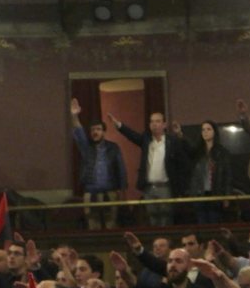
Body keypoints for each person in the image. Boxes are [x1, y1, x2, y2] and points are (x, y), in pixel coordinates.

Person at [110, 109, 189, 226]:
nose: (154, 124)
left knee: (166, 218)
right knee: (152, 218)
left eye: (158, 121)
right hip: (149, 187)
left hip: (165, 187)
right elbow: (132, 135)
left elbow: (184, 162)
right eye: (152, 122)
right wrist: (118, 125)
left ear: (164, 124)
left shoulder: (172, 141)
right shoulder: (146, 140)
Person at [69, 98, 125, 230]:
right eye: (93, 130)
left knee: (111, 223)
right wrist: (74, 116)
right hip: (91, 192)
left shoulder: (113, 148)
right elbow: (78, 132)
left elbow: (121, 169)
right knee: (92, 224)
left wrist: (122, 190)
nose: (95, 132)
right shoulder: (86, 148)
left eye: (98, 129)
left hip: (110, 192)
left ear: (104, 132)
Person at [180, 119, 234, 226]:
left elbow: (227, 176)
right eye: (203, 130)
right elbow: (187, 149)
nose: (205, 132)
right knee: (201, 224)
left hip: (215, 193)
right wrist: (180, 135)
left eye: (208, 129)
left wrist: (227, 196)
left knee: (215, 223)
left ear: (214, 132)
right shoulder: (197, 152)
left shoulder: (222, 152)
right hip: (200, 194)